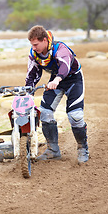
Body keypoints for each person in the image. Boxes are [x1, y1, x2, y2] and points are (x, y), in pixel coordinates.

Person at [25, 25, 89, 163]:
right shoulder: (34, 53)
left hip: (73, 79)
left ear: (44, 41)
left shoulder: (60, 49)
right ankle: (53, 150)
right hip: (55, 80)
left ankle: (83, 149)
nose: (34, 47)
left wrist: (57, 79)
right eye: (32, 45)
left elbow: (65, 66)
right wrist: (27, 91)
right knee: (45, 112)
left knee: (75, 116)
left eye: (36, 44)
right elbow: (32, 74)